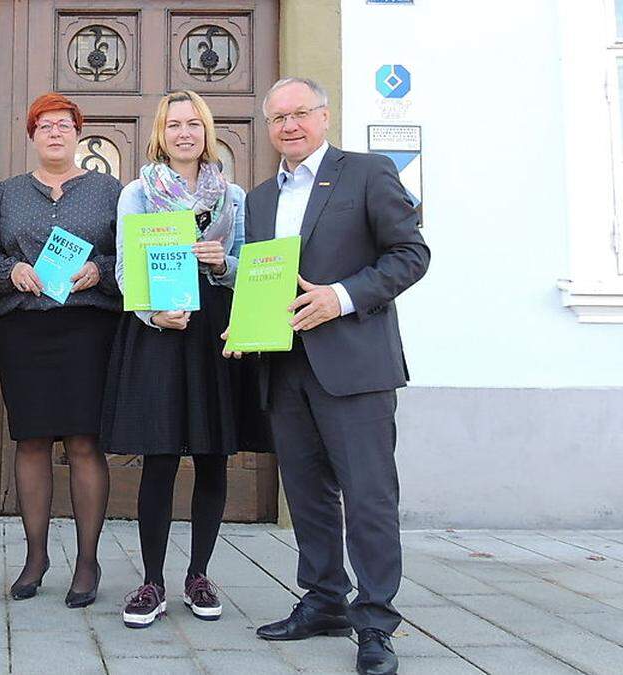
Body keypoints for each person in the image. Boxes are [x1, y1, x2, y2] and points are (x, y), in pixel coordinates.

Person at [223, 77, 429, 675]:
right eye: (277, 117)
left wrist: (339, 297)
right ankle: (322, 600)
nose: (289, 125)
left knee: (368, 497)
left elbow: (410, 254)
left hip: (354, 364)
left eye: (300, 114)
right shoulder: (260, 198)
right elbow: (265, 277)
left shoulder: (365, 173)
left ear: (324, 116)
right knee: (308, 496)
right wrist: (245, 323)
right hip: (284, 366)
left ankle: (375, 622)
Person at [99, 90, 246, 629]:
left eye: (194, 123)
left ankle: (199, 575)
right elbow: (122, 270)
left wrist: (221, 262)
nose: (185, 133)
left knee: (212, 455)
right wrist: (151, 314)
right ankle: (152, 582)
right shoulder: (137, 193)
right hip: (160, 330)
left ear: (207, 131)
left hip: (211, 330)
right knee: (160, 456)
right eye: (175, 124)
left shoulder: (231, 195)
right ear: (161, 133)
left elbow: (245, 269)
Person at [0, 93, 120, 607]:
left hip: (87, 329)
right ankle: (35, 557)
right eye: (44, 125)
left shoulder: (107, 190)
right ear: (31, 135)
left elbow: (130, 256)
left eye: (64, 124)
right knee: (31, 442)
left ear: (79, 133)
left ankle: (87, 560)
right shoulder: (9, 193)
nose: (55, 132)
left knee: (83, 442)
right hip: (26, 331)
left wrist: (100, 269)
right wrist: (8, 272)